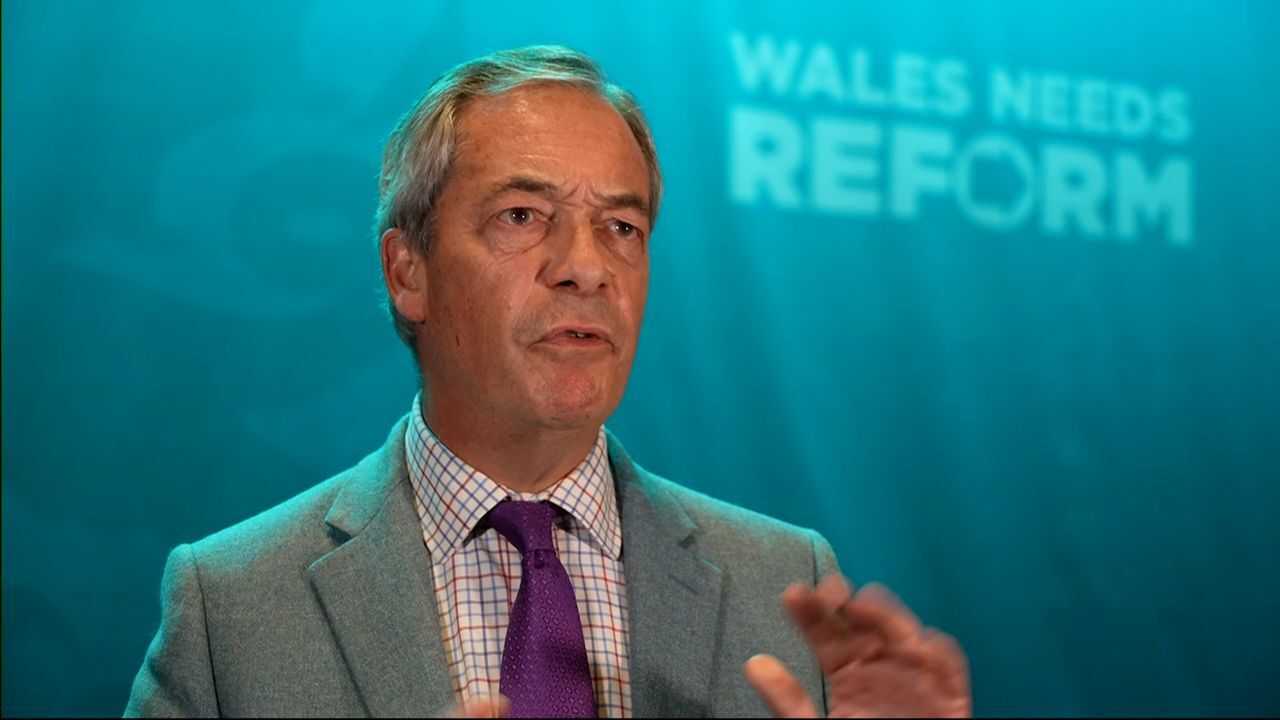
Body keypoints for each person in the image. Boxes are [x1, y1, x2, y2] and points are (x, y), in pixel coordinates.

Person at [125, 45, 971, 718]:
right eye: (523, 217)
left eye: (622, 226)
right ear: (407, 270)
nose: (586, 267)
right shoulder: (231, 606)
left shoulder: (784, 580)